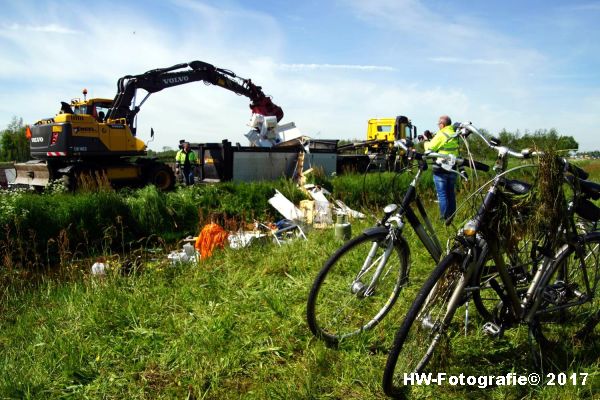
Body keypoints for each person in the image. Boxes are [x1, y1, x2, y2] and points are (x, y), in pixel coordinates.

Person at [424, 115, 460, 220]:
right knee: (451, 194)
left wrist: (426, 140)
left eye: (438, 124)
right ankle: (452, 217)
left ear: (442, 124)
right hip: (452, 167)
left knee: (442, 195)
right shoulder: (455, 134)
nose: (438, 126)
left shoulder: (441, 134)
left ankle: (444, 218)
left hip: (441, 168)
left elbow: (430, 148)